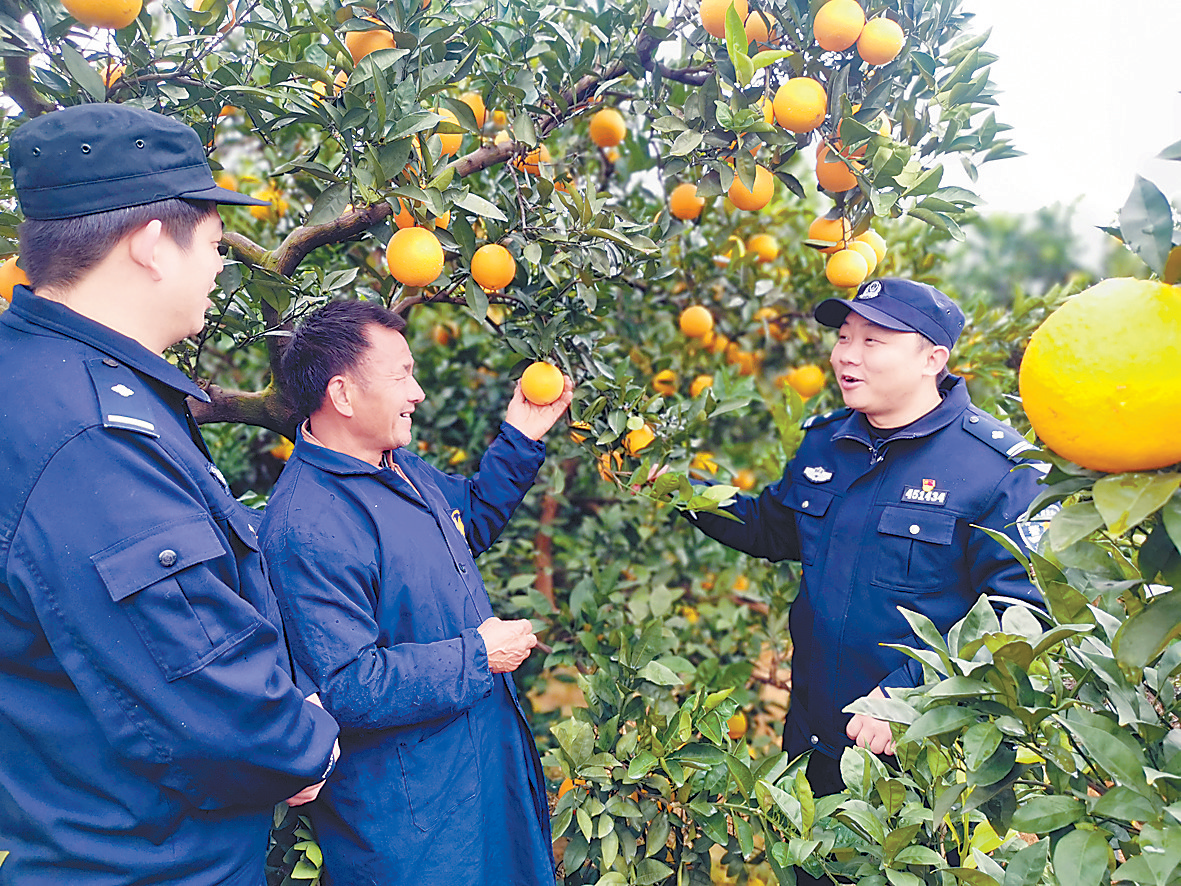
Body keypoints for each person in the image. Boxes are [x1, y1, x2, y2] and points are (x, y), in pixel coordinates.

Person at [0, 103, 340, 885]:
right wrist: (304, 742)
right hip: (141, 862)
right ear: (152, 245)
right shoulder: (87, 435)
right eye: (216, 245)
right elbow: (202, 686)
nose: (221, 266)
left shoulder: (47, 380)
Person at [682, 279, 1043, 857]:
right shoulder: (828, 442)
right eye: (844, 337)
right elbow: (772, 529)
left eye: (873, 340)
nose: (846, 354)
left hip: (916, 754)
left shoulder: (995, 467)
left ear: (933, 359)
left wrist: (908, 698)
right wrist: (680, 490)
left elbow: (1022, 617)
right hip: (811, 737)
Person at [258, 299, 573, 885]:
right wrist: (478, 656)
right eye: (402, 375)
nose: (418, 392)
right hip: (414, 823)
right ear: (343, 395)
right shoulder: (308, 525)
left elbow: (468, 520)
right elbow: (348, 683)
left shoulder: (399, 466)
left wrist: (522, 436)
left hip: (478, 772)